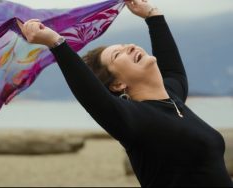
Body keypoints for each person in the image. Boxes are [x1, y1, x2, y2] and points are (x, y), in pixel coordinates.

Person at [18, 0, 233, 187]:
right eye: (117, 54)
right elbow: (92, 96)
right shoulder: (134, 121)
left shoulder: (173, 99)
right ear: (118, 84)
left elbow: (173, 70)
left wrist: (152, 15)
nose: (129, 46)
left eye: (124, 44)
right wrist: (56, 43)